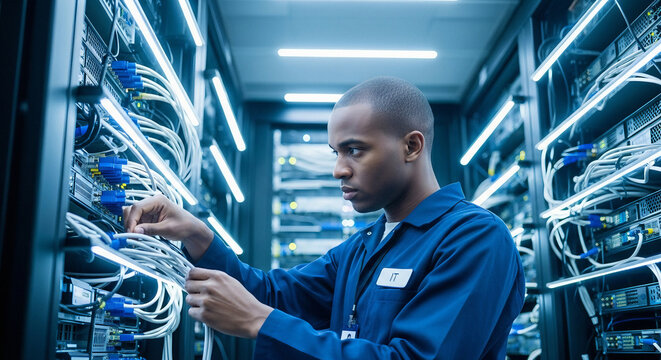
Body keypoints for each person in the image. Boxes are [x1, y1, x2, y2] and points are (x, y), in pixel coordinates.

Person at [123, 76, 525, 359]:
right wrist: (199, 237)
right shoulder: (365, 246)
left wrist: (261, 322)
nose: (338, 169)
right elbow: (273, 295)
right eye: (336, 152)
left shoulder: (474, 238)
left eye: (355, 150)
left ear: (411, 146)